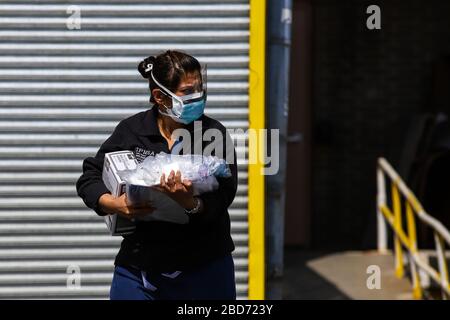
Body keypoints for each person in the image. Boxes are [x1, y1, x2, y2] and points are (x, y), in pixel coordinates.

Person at [76, 50, 238, 300]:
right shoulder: (132, 130)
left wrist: (191, 204)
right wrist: (114, 204)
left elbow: (225, 193)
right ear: (160, 97)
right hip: (140, 269)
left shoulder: (213, 134)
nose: (198, 96)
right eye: (188, 91)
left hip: (204, 269)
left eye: (200, 88)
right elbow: (90, 177)